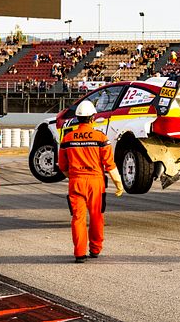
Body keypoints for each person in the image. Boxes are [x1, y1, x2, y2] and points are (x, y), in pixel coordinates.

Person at [58, 100, 124, 263]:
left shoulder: (67, 139)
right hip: (96, 182)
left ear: (77, 118)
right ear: (93, 118)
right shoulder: (100, 138)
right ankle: (95, 249)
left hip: (76, 181)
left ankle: (79, 253)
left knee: (77, 218)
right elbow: (110, 164)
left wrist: (74, 176)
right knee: (96, 216)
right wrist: (118, 183)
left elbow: (63, 166)